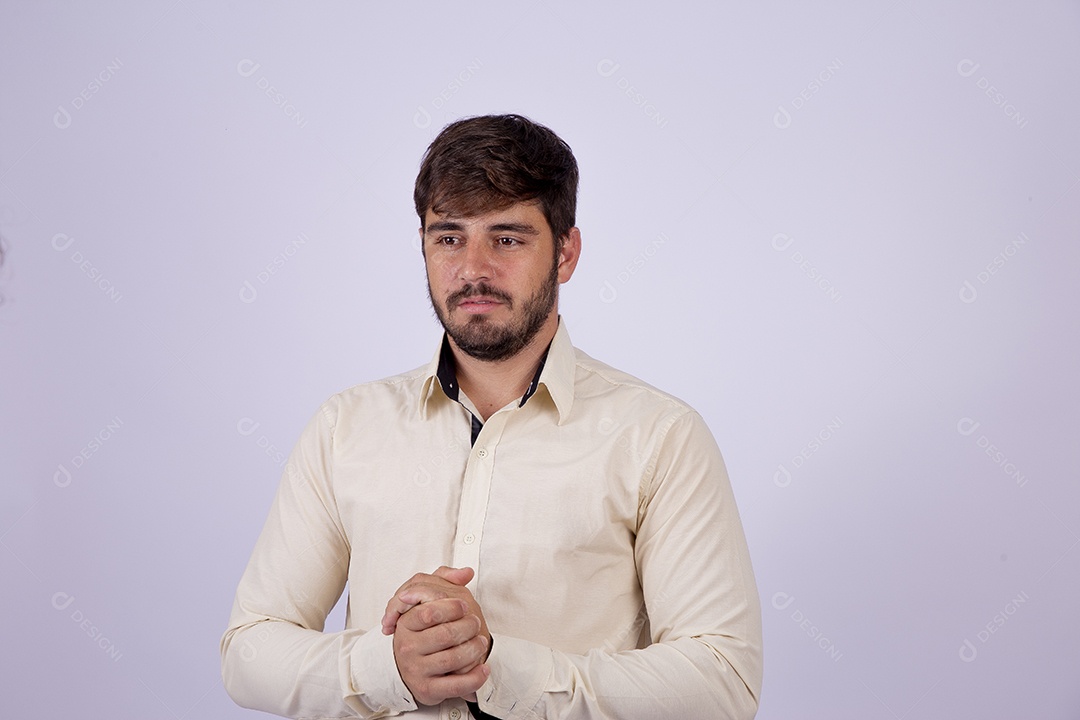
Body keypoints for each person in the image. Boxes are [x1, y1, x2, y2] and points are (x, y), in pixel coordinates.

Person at [221, 114, 763, 719]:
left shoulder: (659, 437)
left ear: (566, 252)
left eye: (506, 238)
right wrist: (389, 668)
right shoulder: (344, 428)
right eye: (448, 237)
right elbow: (249, 651)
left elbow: (722, 680)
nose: (473, 268)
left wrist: (494, 665)